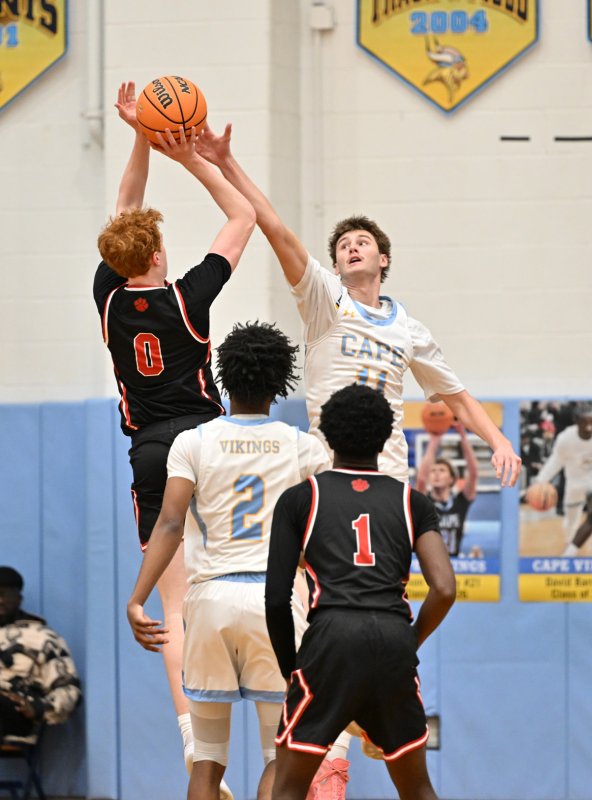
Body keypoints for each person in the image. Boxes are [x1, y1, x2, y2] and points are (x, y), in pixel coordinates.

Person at [194, 123, 521, 490]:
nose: (352, 247)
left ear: (383, 259)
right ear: (334, 267)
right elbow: (275, 228)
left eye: (362, 242)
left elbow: (458, 399)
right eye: (344, 245)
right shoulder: (325, 299)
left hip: (388, 472)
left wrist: (500, 442)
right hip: (328, 468)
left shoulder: (409, 330)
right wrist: (226, 162)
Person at [93, 83, 255, 789]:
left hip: (152, 452)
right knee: (250, 581)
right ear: (158, 253)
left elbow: (124, 210)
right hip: (208, 448)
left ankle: (198, 748)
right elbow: (243, 213)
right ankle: (280, 742)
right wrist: (184, 153)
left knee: (175, 607)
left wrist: (138, 140)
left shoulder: (107, 295)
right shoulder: (188, 297)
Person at [126, 322, 331, 800]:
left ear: (222, 376)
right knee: (281, 761)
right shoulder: (304, 447)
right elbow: (323, 539)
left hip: (210, 601)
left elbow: (170, 525)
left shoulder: (193, 442)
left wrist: (138, 599)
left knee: (206, 766)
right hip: (276, 605)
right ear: (281, 382)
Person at [265, 385, 456, 800]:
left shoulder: (301, 498)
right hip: (392, 638)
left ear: (327, 436)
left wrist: (290, 667)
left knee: (289, 788)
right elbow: (443, 588)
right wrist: (410, 640)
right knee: (418, 787)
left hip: (330, 639)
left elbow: (277, 598)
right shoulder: (413, 502)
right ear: (387, 435)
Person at [0, 566, 81, 741]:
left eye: (5, 594)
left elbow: (69, 690)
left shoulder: (42, 638)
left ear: (19, 598)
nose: (0, 601)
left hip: (14, 714)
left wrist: (39, 707)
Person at [533, 404, 592, 557]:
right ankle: (570, 541)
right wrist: (540, 481)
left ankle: (569, 553)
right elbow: (555, 462)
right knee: (570, 523)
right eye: (584, 423)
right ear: (576, 421)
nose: (588, 427)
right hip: (575, 484)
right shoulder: (565, 439)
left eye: (591, 422)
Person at [415, 422, 478, 556]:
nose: (436, 473)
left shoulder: (461, 501)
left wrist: (462, 434)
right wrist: (435, 438)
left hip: (453, 561)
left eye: (442, 470)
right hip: (428, 564)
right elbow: (421, 478)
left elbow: (473, 473)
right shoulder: (425, 502)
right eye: (433, 471)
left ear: (451, 478)